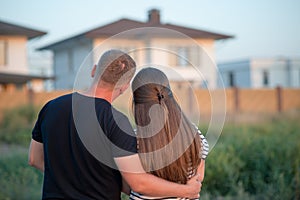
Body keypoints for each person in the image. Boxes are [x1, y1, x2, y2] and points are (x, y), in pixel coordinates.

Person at [28, 49, 202, 200]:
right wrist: (186, 190)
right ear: (125, 86)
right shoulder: (117, 122)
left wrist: (65, 179)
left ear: (94, 70)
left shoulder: (51, 107)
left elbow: (34, 159)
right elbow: (138, 183)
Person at [130, 67, 209, 199]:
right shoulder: (193, 133)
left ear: (137, 103)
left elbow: (133, 183)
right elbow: (198, 178)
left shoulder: (132, 139)